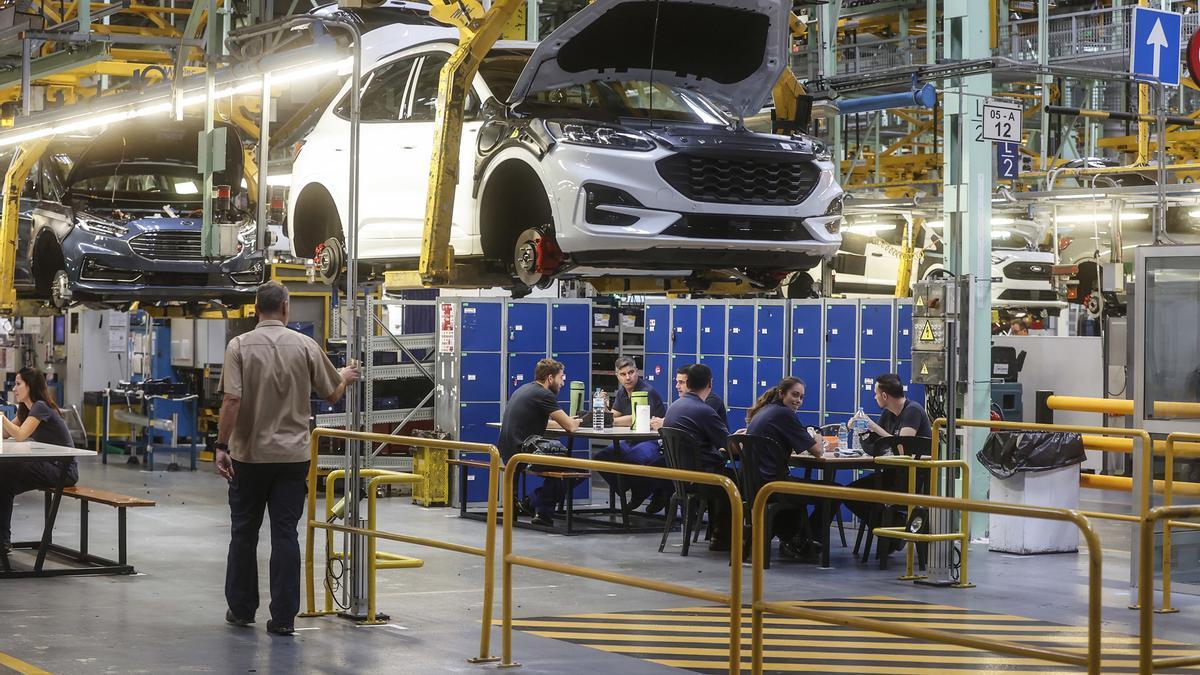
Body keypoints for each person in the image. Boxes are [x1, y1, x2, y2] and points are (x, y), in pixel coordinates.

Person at [215, 281, 360, 636]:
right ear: (285, 307)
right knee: (285, 535)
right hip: (293, 459)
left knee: (244, 533)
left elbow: (231, 400)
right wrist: (345, 376)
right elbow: (332, 394)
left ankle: (241, 609)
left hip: (249, 457)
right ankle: (282, 618)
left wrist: (222, 446)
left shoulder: (239, 346)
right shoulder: (305, 345)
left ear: (255, 307)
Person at [744, 377, 829, 562]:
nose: (798, 400)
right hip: (774, 486)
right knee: (834, 492)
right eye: (794, 395)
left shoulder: (766, 410)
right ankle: (806, 541)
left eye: (801, 397)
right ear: (782, 394)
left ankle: (793, 540)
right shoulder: (784, 414)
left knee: (799, 489)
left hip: (756, 485)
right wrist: (819, 436)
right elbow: (817, 451)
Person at [0, 367, 76, 554]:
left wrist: (2, 417)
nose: (14, 389)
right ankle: (3, 542)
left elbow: (20, 435)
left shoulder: (40, 407)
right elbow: (6, 434)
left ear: (30, 386)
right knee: (3, 485)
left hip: (63, 470)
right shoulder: (26, 409)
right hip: (47, 465)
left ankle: (3, 541)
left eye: (18, 384)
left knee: (7, 472)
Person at [498, 358, 581, 526]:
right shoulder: (545, 394)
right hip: (523, 453)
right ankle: (535, 503)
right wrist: (578, 421)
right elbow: (571, 427)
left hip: (508, 450)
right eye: (561, 378)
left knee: (561, 466)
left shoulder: (525, 389)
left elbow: (545, 421)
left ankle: (540, 510)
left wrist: (566, 421)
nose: (563, 382)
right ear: (550, 378)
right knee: (577, 471)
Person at [662, 363, 735, 551]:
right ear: (710, 384)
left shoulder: (674, 406)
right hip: (699, 478)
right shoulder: (704, 410)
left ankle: (718, 534)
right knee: (737, 484)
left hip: (680, 477)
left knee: (727, 476)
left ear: (688, 383)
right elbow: (729, 444)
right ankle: (724, 538)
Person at [844, 372, 934, 524]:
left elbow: (902, 450)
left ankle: (891, 527)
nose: (874, 397)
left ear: (884, 396)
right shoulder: (888, 414)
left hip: (912, 478)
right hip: (892, 473)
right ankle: (890, 525)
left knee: (857, 494)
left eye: (876, 394)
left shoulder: (912, 410)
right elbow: (881, 442)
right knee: (849, 493)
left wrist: (873, 425)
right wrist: (862, 427)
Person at [594, 357, 669, 513]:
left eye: (631, 372)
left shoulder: (646, 391)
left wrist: (611, 420)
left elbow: (634, 417)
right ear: (617, 376)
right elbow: (613, 416)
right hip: (632, 440)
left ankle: (643, 492)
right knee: (600, 458)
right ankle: (636, 489)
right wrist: (605, 407)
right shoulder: (622, 392)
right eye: (623, 374)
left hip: (653, 441)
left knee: (633, 459)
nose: (628, 377)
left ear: (637, 372)